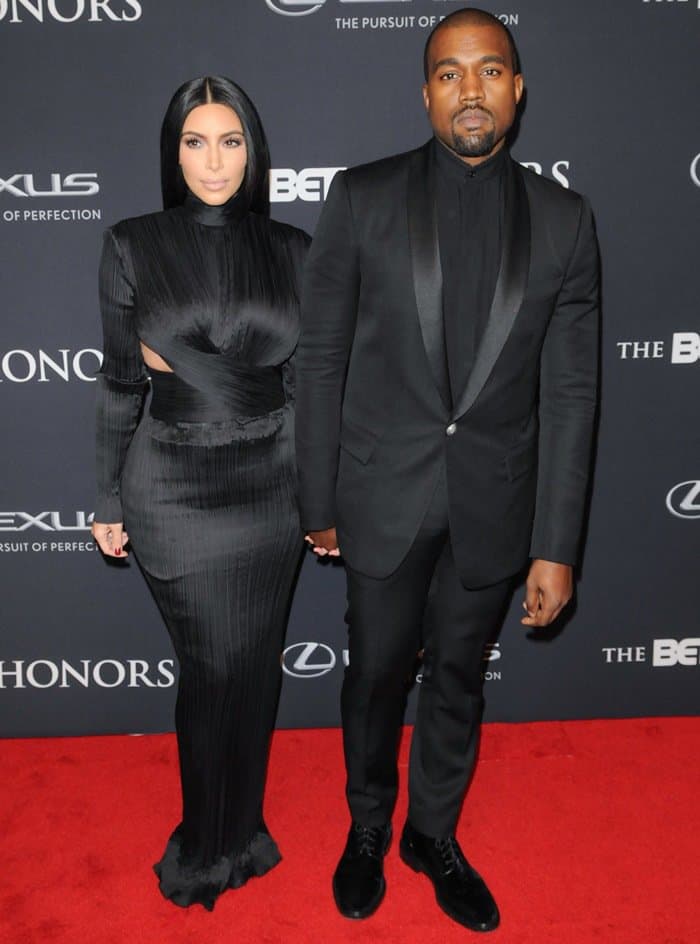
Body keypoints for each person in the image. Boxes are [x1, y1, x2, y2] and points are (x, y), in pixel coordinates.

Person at [296, 7, 599, 932]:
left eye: (490, 70)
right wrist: (318, 499)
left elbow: (573, 394)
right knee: (376, 676)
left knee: (460, 676)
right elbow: (321, 361)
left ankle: (433, 834)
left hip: (494, 506)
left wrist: (557, 546)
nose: (471, 89)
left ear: (516, 88)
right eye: (449, 73)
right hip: (380, 497)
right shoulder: (362, 196)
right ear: (425, 91)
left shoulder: (566, 220)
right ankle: (367, 828)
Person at [92, 76, 309, 911]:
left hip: (275, 483)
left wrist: (320, 497)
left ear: (253, 151)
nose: (212, 160)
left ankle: (243, 831)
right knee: (211, 666)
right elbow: (119, 381)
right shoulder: (130, 243)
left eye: (229, 141)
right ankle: (202, 844)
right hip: (173, 485)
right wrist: (107, 498)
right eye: (194, 141)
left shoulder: (292, 247)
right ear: (171, 150)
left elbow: (306, 384)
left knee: (254, 670)